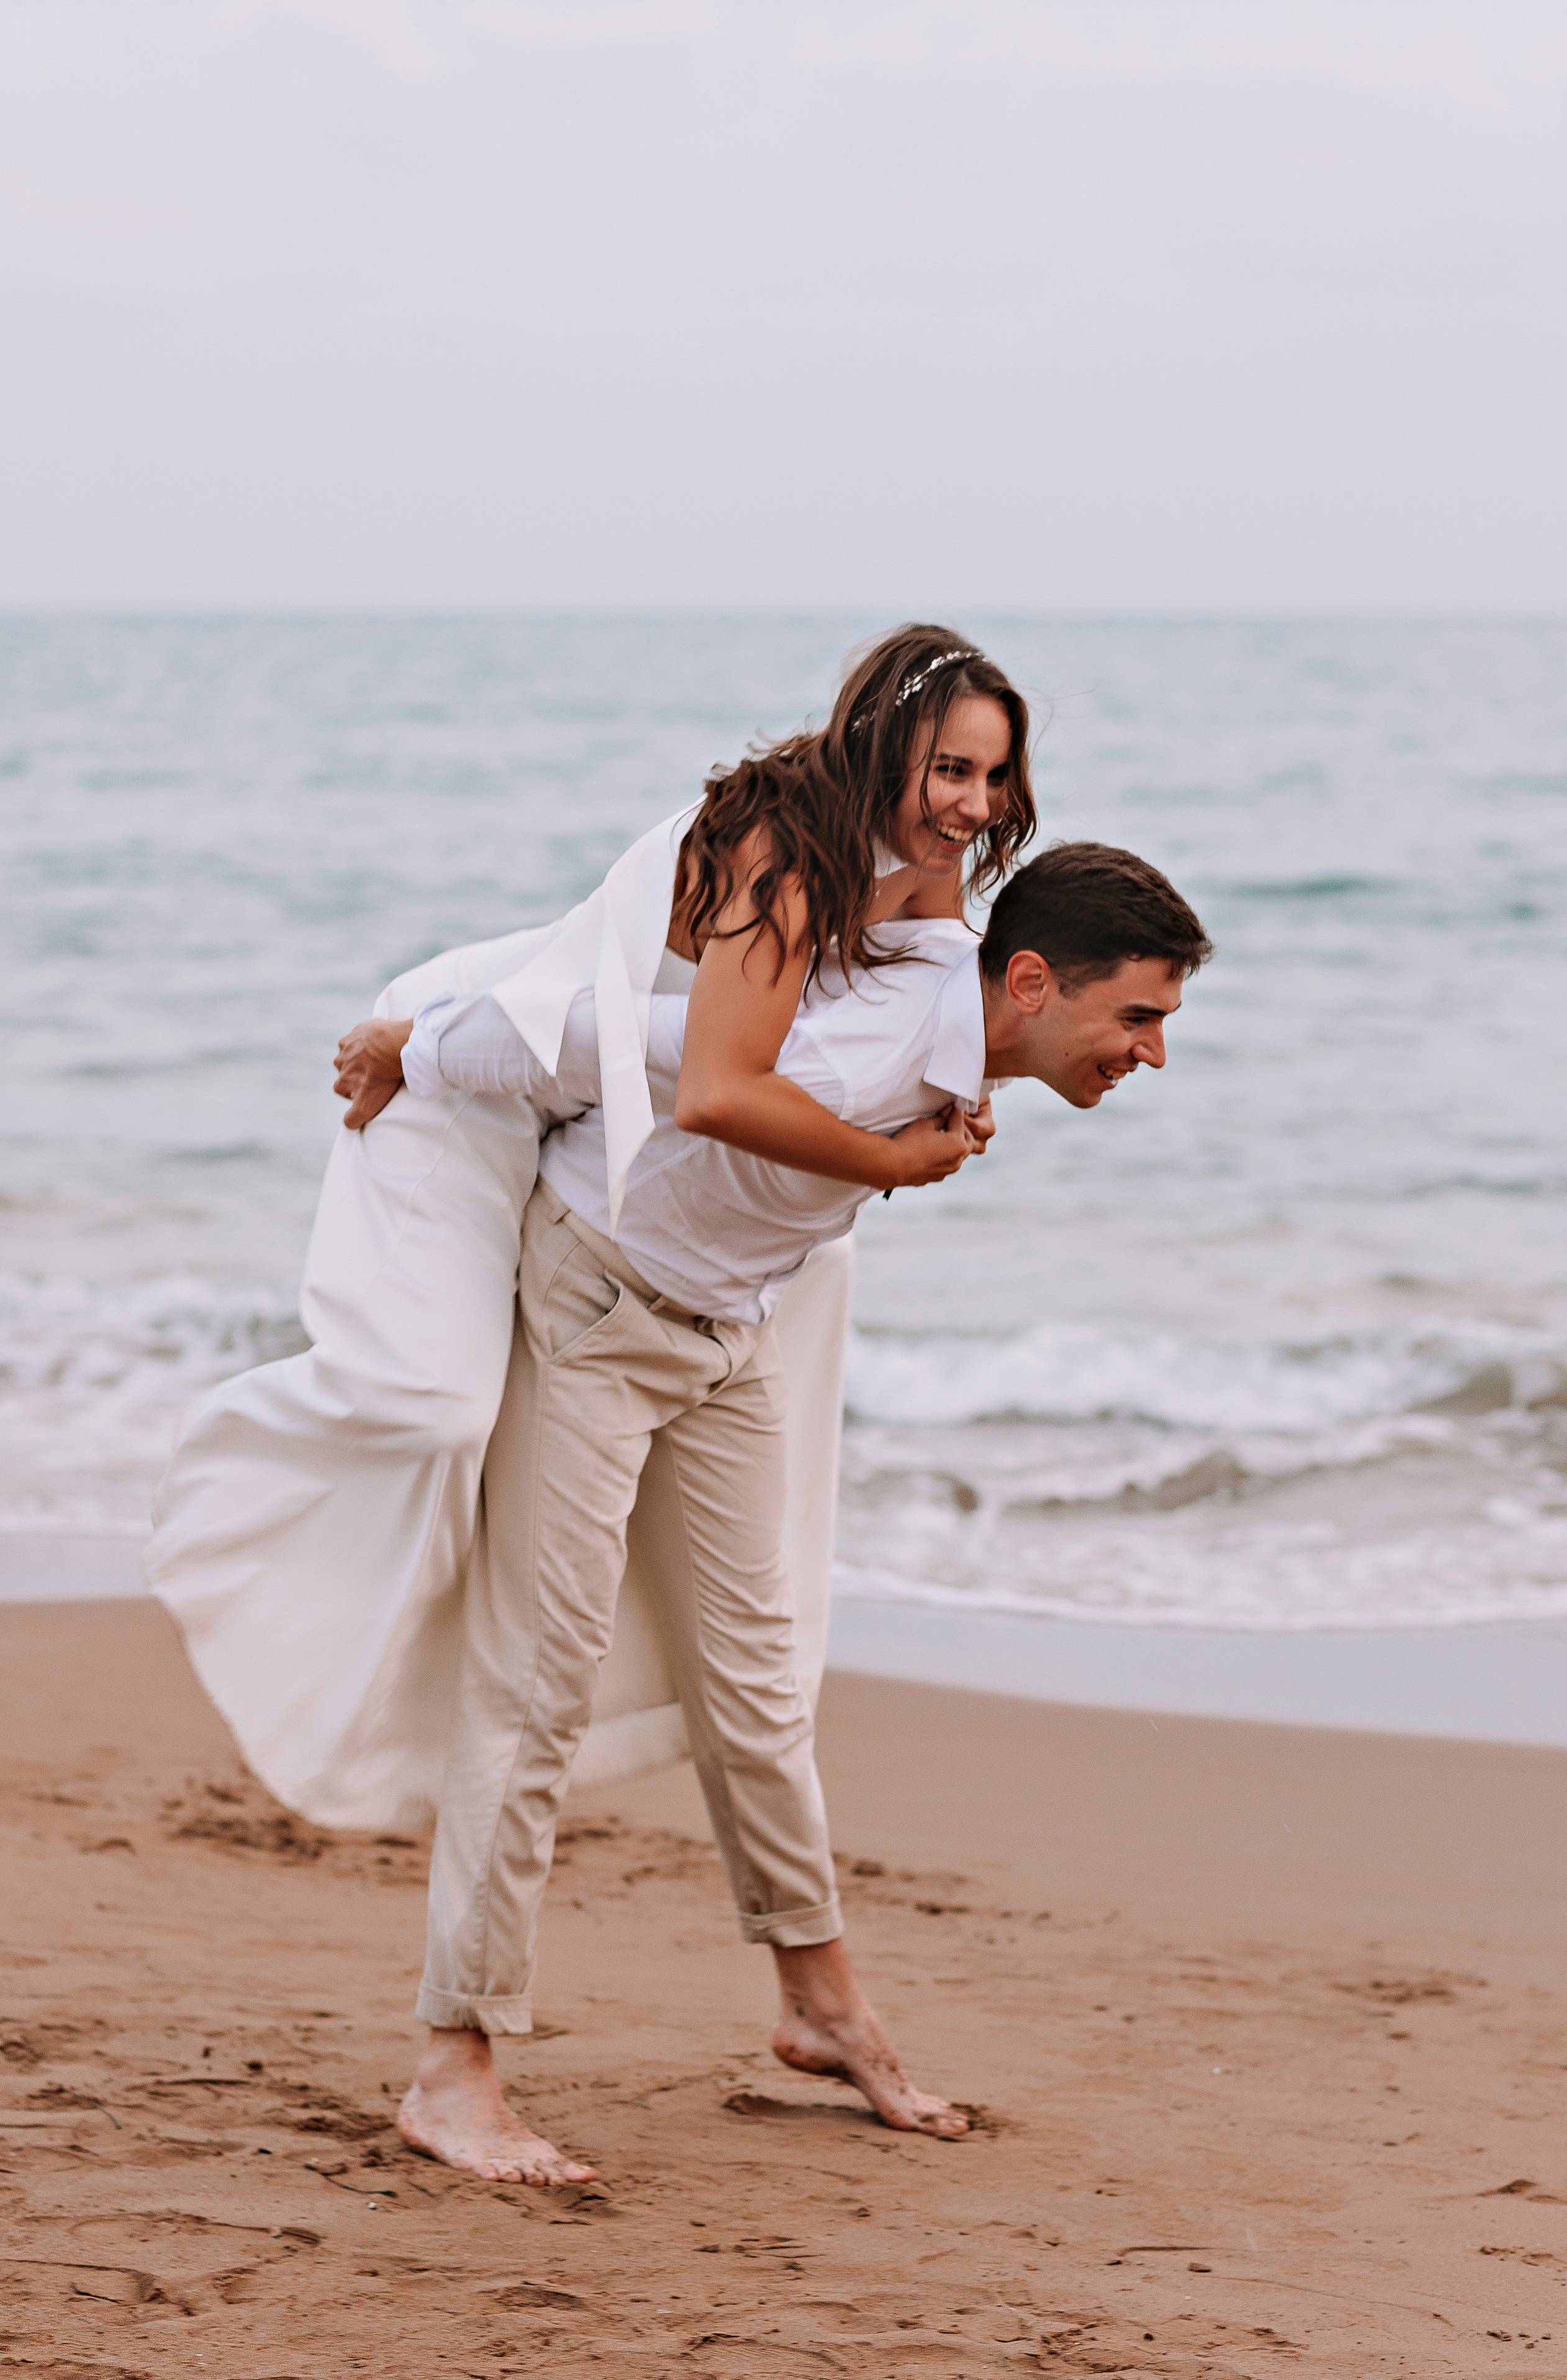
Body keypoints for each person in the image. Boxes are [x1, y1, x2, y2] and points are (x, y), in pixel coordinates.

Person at [375, 839, 1213, 2184]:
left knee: (759, 1680)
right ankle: (451, 2068)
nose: (1152, 1053)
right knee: (539, 1680)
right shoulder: (863, 1048)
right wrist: (411, 1047)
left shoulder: (954, 1010)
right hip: (600, 1310)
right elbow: (600, 1034)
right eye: (1138, 1017)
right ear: (1033, 983)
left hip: (726, 1332)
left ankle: (819, 2008)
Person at [146, 629, 1034, 1830]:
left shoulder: (924, 863)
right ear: (884, 751)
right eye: (951, 771)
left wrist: (970, 1080)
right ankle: (242, 1504)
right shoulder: (785, 857)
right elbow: (633, 1051)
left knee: (814, 1274)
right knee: (436, 1404)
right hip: (484, 1048)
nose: (976, 806)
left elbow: (933, 986)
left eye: (995, 775)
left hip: (615, 1091)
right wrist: (414, 1045)